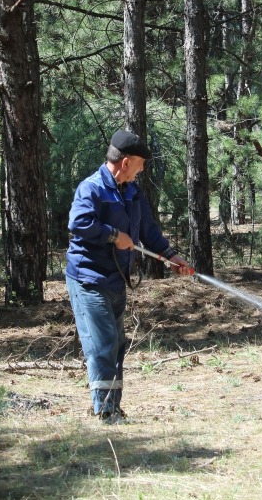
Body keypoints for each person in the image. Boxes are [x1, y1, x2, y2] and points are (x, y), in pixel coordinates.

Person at [65, 129, 191, 424]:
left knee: (117, 343)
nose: (142, 169)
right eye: (140, 164)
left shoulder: (132, 193)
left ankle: (112, 407)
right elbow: (78, 223)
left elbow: (148, 231)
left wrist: (171, 256)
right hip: (88, 278)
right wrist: (113, 236)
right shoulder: (92, 188)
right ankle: (105, 411)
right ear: (125, 162)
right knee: (103, 342)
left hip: (115, 279)